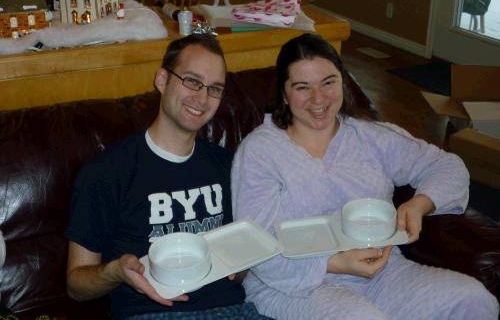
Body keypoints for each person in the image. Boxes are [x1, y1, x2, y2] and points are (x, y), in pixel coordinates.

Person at [231, 33, 499, 320]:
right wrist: (333, 263)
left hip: (384, 274)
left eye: (328, 82)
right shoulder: (260, 151)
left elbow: (447, 166)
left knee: (475, 301)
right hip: (294, 285)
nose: (318, 98)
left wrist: (420, 203)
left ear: (342, 82)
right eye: (302, 87)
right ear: (284, 94)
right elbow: (256, 246)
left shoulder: (370, 136)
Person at [65, 34, 266, 320]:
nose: (202, 98)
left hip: (233, 310)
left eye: (215, 89)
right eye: (192, 81)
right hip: (151, 313)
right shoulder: (107, 171)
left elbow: (241, 262)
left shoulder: (228, 165)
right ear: (162, 80)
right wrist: (116, 271)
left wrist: (245, 260)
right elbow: (76, 285)